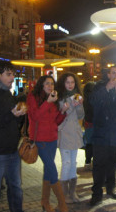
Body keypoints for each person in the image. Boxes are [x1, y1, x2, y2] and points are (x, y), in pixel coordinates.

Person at [0, 61, 26, 212]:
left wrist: (19, 115)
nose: (12, 77)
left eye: (13, 74)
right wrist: (11, 115)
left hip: (12, 152)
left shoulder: (8, 94)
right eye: (9, 74)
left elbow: (10, 121)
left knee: (16, 189)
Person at [89, 65, 116, 206]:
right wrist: (107, 88)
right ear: (108, 74)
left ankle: (110, 188)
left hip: (115, 133)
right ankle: (96, 193)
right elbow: (93, 102)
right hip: (101, 132)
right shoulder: (99, 87)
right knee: (99, 164)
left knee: (113, 163)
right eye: (114, 73)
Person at [27, 75, 69, 212]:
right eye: (47, 84)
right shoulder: (33, 97)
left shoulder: (53, 99)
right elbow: (35, 116)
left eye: (52, 84)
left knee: (48, 170)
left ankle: (44, 202)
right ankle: (62, 205)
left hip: (52, 139)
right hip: (39, 139)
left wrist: (62, 112)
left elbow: (56, 121)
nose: (50, 86)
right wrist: (48, 102)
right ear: (41, 85)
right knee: (52, 170)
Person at [56, 73, 84, 204]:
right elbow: (63, 114)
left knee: (73, 163)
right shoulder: (59, 97)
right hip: (64, 132)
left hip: (74, 133)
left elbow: (80, 115)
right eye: (67, 82)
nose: (70, 85)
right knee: (66, 163)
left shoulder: (77, 96)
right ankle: (64, 194)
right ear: (63, 83)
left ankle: (72, 192)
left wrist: (79, 105)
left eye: (72, 82)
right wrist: (71, 104)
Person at [81, 81, 96, 171]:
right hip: (94, 124)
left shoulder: (84, 99)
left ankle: (87, 161)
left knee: (88, 144)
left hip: (87, 124)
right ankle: (94, 161)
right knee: (94, 144)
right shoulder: (94, 99)